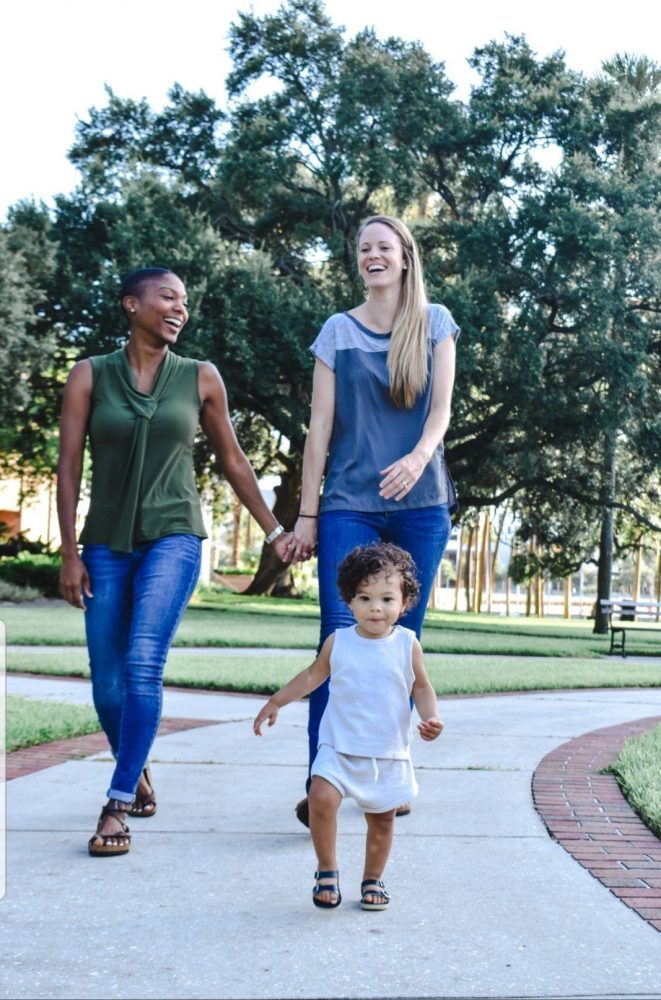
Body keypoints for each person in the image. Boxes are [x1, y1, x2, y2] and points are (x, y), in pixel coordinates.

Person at [57, 266, 293, 857]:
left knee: (141, 665)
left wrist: (275, 531)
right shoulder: (88, 375)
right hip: (105, 543)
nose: (179, 308)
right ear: (131, 304)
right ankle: (134, 767)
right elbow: (66, 467)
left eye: (184, 301)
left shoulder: (201, 378)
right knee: (107, 682)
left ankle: (115, 804)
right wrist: (68, 551)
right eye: (167, 297)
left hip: (175, 535)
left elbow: (236, 462)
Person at [287, 214, 459, 825]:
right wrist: (307, 514)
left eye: (383, 246)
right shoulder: (338, 331)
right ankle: (322, 786)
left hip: (421, 504)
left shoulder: (435, 323)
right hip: (348, 505)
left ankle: (390, 778)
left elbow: (440, 413)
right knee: (338, 641)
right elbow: (320, 430)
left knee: (401, 646)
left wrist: (416, 459)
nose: (372, 256)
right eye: (364, 249)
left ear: (405, 257)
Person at [254, 542, 443, 910]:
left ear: (404, 603)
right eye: (364, 597)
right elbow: (311, 676)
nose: (376, 607)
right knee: (320, 799)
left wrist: (430, 717)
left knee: (383, 821)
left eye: (387, 599)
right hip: (338, 748)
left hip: (385, 753)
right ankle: (327, 869)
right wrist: (277, 701)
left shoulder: (407, 644)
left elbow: (421, 686)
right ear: (349, 601)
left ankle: (372, 878)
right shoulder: (338, 642)